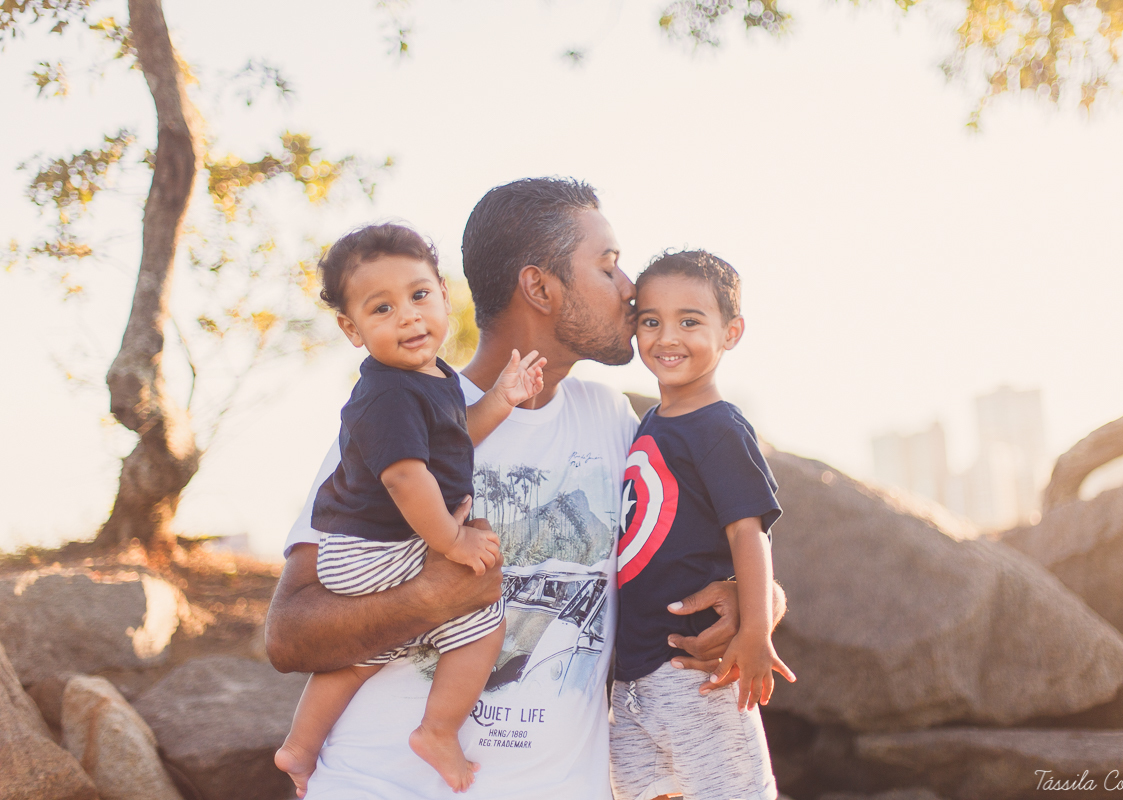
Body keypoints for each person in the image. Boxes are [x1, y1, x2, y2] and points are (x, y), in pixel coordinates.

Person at [264, 178, 785, 800]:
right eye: (609, 266)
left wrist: (753, 601)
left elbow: (712, 531)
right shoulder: (398, 418)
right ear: (539, 287)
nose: (632, 289)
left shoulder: (614, 421)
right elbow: (289, 632)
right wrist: (428, 597)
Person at [273, 223, 547, 796]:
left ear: (445, 295)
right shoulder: (390, 392)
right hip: (375, 548)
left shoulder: (431, 379)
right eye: (382, 308)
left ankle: (299, 749)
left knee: (369, 652)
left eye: (419, 295)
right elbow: (405, 476)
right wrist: (452, 542)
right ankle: (437, 731)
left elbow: (452, 442)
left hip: (367, 548)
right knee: (479, 625)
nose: (408, 316)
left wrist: (500, 399)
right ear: (352, 329)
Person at [610, 250, 794, 800]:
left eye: (690, 321)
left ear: (731, 332)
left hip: (695, 672)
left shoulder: (720, 426)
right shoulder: (648, 423)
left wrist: (756, 630)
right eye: (651, 321)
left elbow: (749, 533)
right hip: (632, 678)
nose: (668, 336)